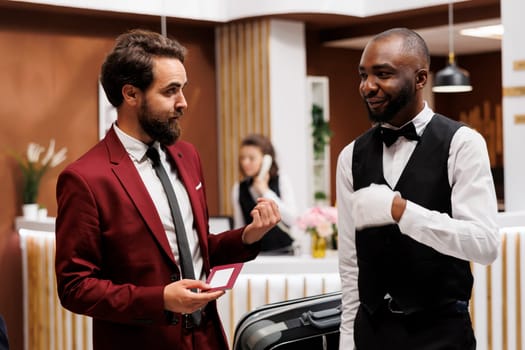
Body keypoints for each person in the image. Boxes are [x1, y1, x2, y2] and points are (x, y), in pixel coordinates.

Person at [55, 29, 281, 350]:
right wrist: (159, 299)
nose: (183, 103)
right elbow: (75, 287)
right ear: (131, 94)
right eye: (171, 91)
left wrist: (249, 235)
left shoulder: (187, 156)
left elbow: (196, 248)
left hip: (208, 338)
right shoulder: (85, 178)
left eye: (183, 89)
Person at [336, 27, 500, 350]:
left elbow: (485, 244)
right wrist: (347, 340)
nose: (368, 86)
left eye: (383, 74)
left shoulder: (462, 144)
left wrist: (402, 211)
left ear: (421, 78)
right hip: (371, 333)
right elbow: (350, 265)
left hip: (441, 334)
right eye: (363, 75)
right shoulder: (349, 157)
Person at [231, 134, 297, 254]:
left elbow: (292, 219)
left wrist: (265, 191)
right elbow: (239, 227)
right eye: (242, 158)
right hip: (255, 257)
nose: (245, 163)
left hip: (284, 253)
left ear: (267, 159)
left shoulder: (281, 180)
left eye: (251, 158)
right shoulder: (238, 188)